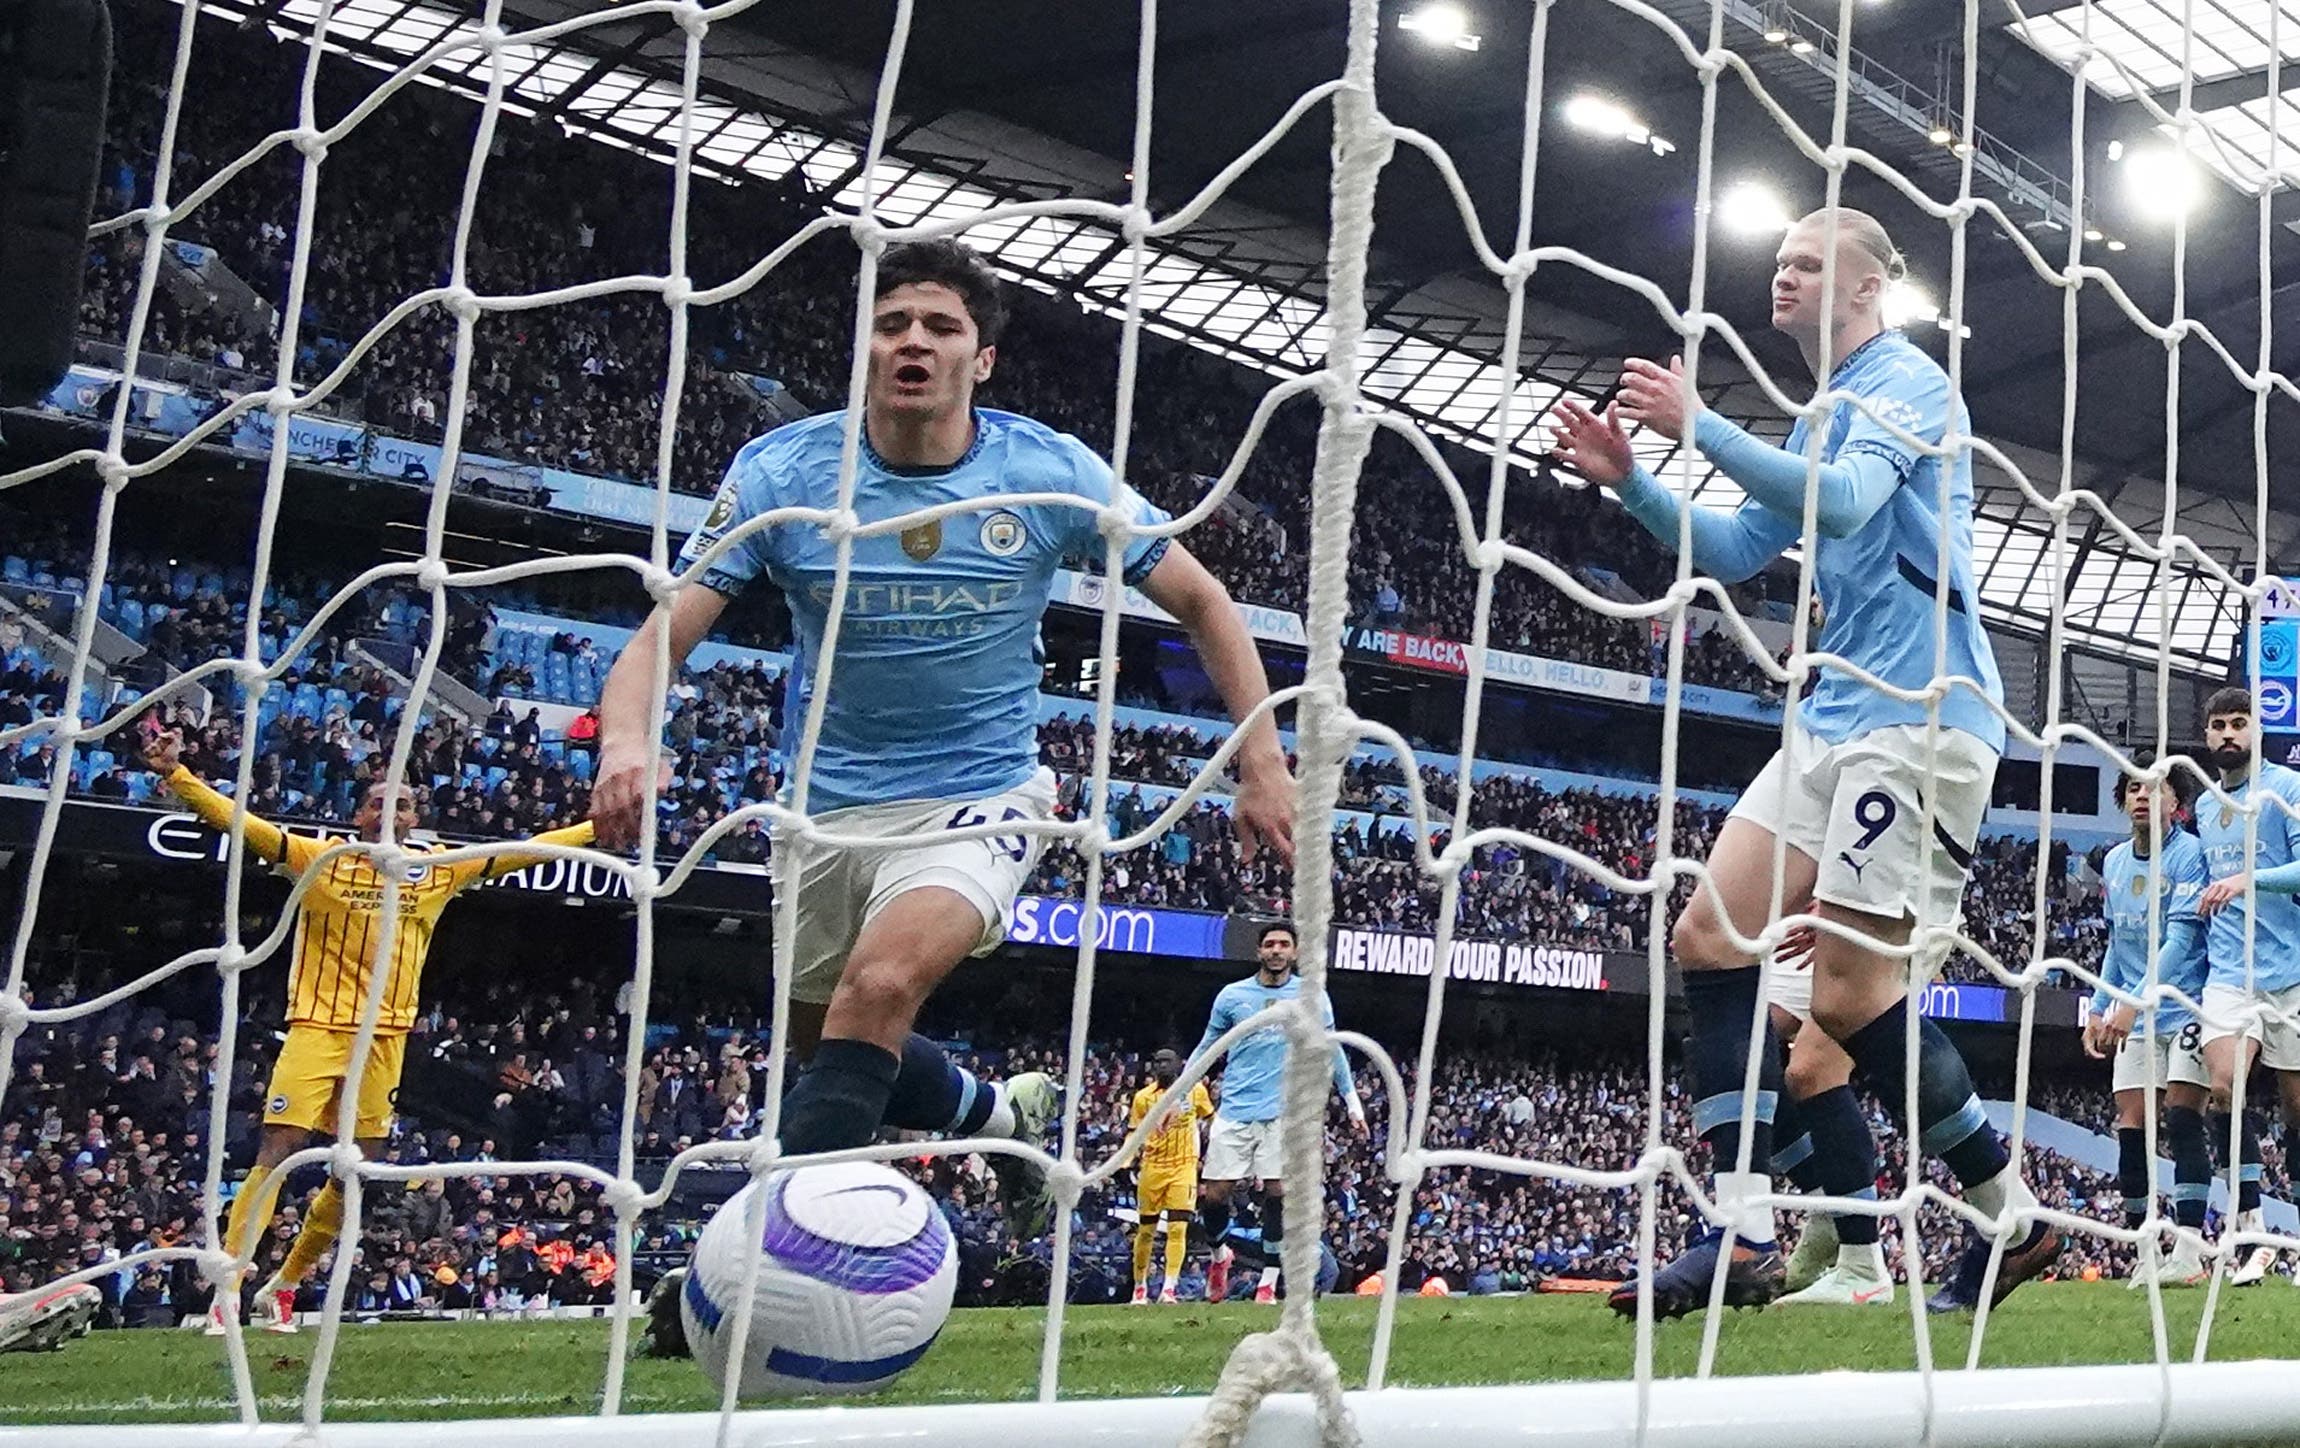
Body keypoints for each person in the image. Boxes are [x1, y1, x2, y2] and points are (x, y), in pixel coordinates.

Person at [592, 238, 1294, 1340]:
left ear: (984, 358)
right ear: (864, 348)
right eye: (890, 323)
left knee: (875, 990)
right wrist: (624, 741)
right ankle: (990, 1108)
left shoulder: (1048, 470)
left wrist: (1262, 759)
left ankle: (740, 1295)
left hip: (982, 796)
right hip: (821, 808)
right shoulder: (782, 474)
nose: (911, 340)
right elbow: (659, 635)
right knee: (830, 1039)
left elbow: (1205, 600)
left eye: (938, 325)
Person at [1548, 205, 2057, 1319]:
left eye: (1806, 262)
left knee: (1846, 993)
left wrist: (1698, 426)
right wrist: (1632, 476)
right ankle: (1735, 1222)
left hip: (1921, 712)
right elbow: (1738, 546)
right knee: (1705, 932)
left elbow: (1849, 498)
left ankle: (2007, 1212)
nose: (1780, 275)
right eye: (1777, 260)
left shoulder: (1907, 384)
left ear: (1867, 287)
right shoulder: (1824, 409)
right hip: (1832, 709)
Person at [143, 730, 595, 1336]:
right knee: (277, 1155)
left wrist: (596, 829)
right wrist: (179, 777)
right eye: (378, 802)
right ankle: (229, 1289)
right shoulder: (321, 858)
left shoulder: (436, 871)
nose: (390, 811)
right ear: (359, 814)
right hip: (316, 1029)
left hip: (386, 1041)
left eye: (402, 804)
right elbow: (246, 827)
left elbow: (529, 849)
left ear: (417, 819)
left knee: (357, 1172)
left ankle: (285, 1287)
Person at [1187, 923, 1366, 1304]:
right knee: (1215, 1196)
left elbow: (1333, 1049)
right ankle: (1220, 1255)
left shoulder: (1311, 997)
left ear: (1295, 952)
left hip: (1284, 1113)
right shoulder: (1233, 996)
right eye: (1269, 944)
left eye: (1284, 944)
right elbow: (1207, 1047)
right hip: (1235, 1110)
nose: (1277, 950)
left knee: (1278, 1191)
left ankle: (1268, 1281)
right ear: (1259, 952)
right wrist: (1177, 1097)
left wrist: (1352, 1101)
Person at [2085, 764, 2213, 1288]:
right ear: (2123, 799)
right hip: (2135, 1007)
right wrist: (2098, 1005)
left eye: (2154, 788)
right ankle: (2141, 1249)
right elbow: (2120, 944)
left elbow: (2180, 941)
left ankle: (2187, 1253)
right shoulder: (2115, 862)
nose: (2143, 796)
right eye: (2134, 787)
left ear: (2174, 802)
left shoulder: (2190, 855)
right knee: (2131, 1125)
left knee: (2183, 1119)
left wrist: (2133, 1005)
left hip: (2188, 1002)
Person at [2191, 687, 2300, 1285]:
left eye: (2239, 723)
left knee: (2297, 1109)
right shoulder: (2206, 807)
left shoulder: (2286, 790)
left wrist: (2244, 880)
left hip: (2291, 973)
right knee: (2223, 1087)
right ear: (2205, 736)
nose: (2228, 734)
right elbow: (2205, 888)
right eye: (2218, 725)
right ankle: (2253, 1233)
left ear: (2257, 730)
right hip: (2230, 974)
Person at [1127, 1048, 1213, 1305]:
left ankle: (1169, 1289)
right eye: (1157, 1062)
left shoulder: (1195, 1090)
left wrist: (1211, 1153)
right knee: (1146, 1231)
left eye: (1167, 1061)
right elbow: (1134, 1132)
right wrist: (1127, 1161)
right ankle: (1140, 1288)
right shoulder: (1143, 1098)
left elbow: (1210, 1118)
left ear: (1179, 1065)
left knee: (1178, 1228)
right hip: (1152, 1166)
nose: (1162, 1066)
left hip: (1183, 1167)